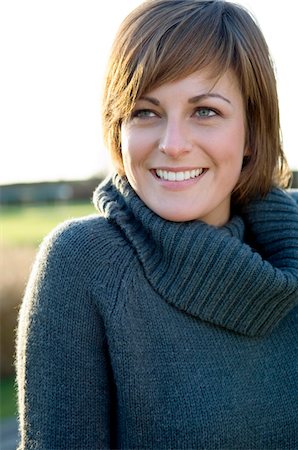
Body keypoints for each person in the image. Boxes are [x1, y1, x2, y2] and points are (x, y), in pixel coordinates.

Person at [16, 0, 298, 448]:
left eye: (205, 111)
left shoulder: (291, 245)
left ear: (253, 129)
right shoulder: (83, 263)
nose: (172, 144)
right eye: (145, 112)